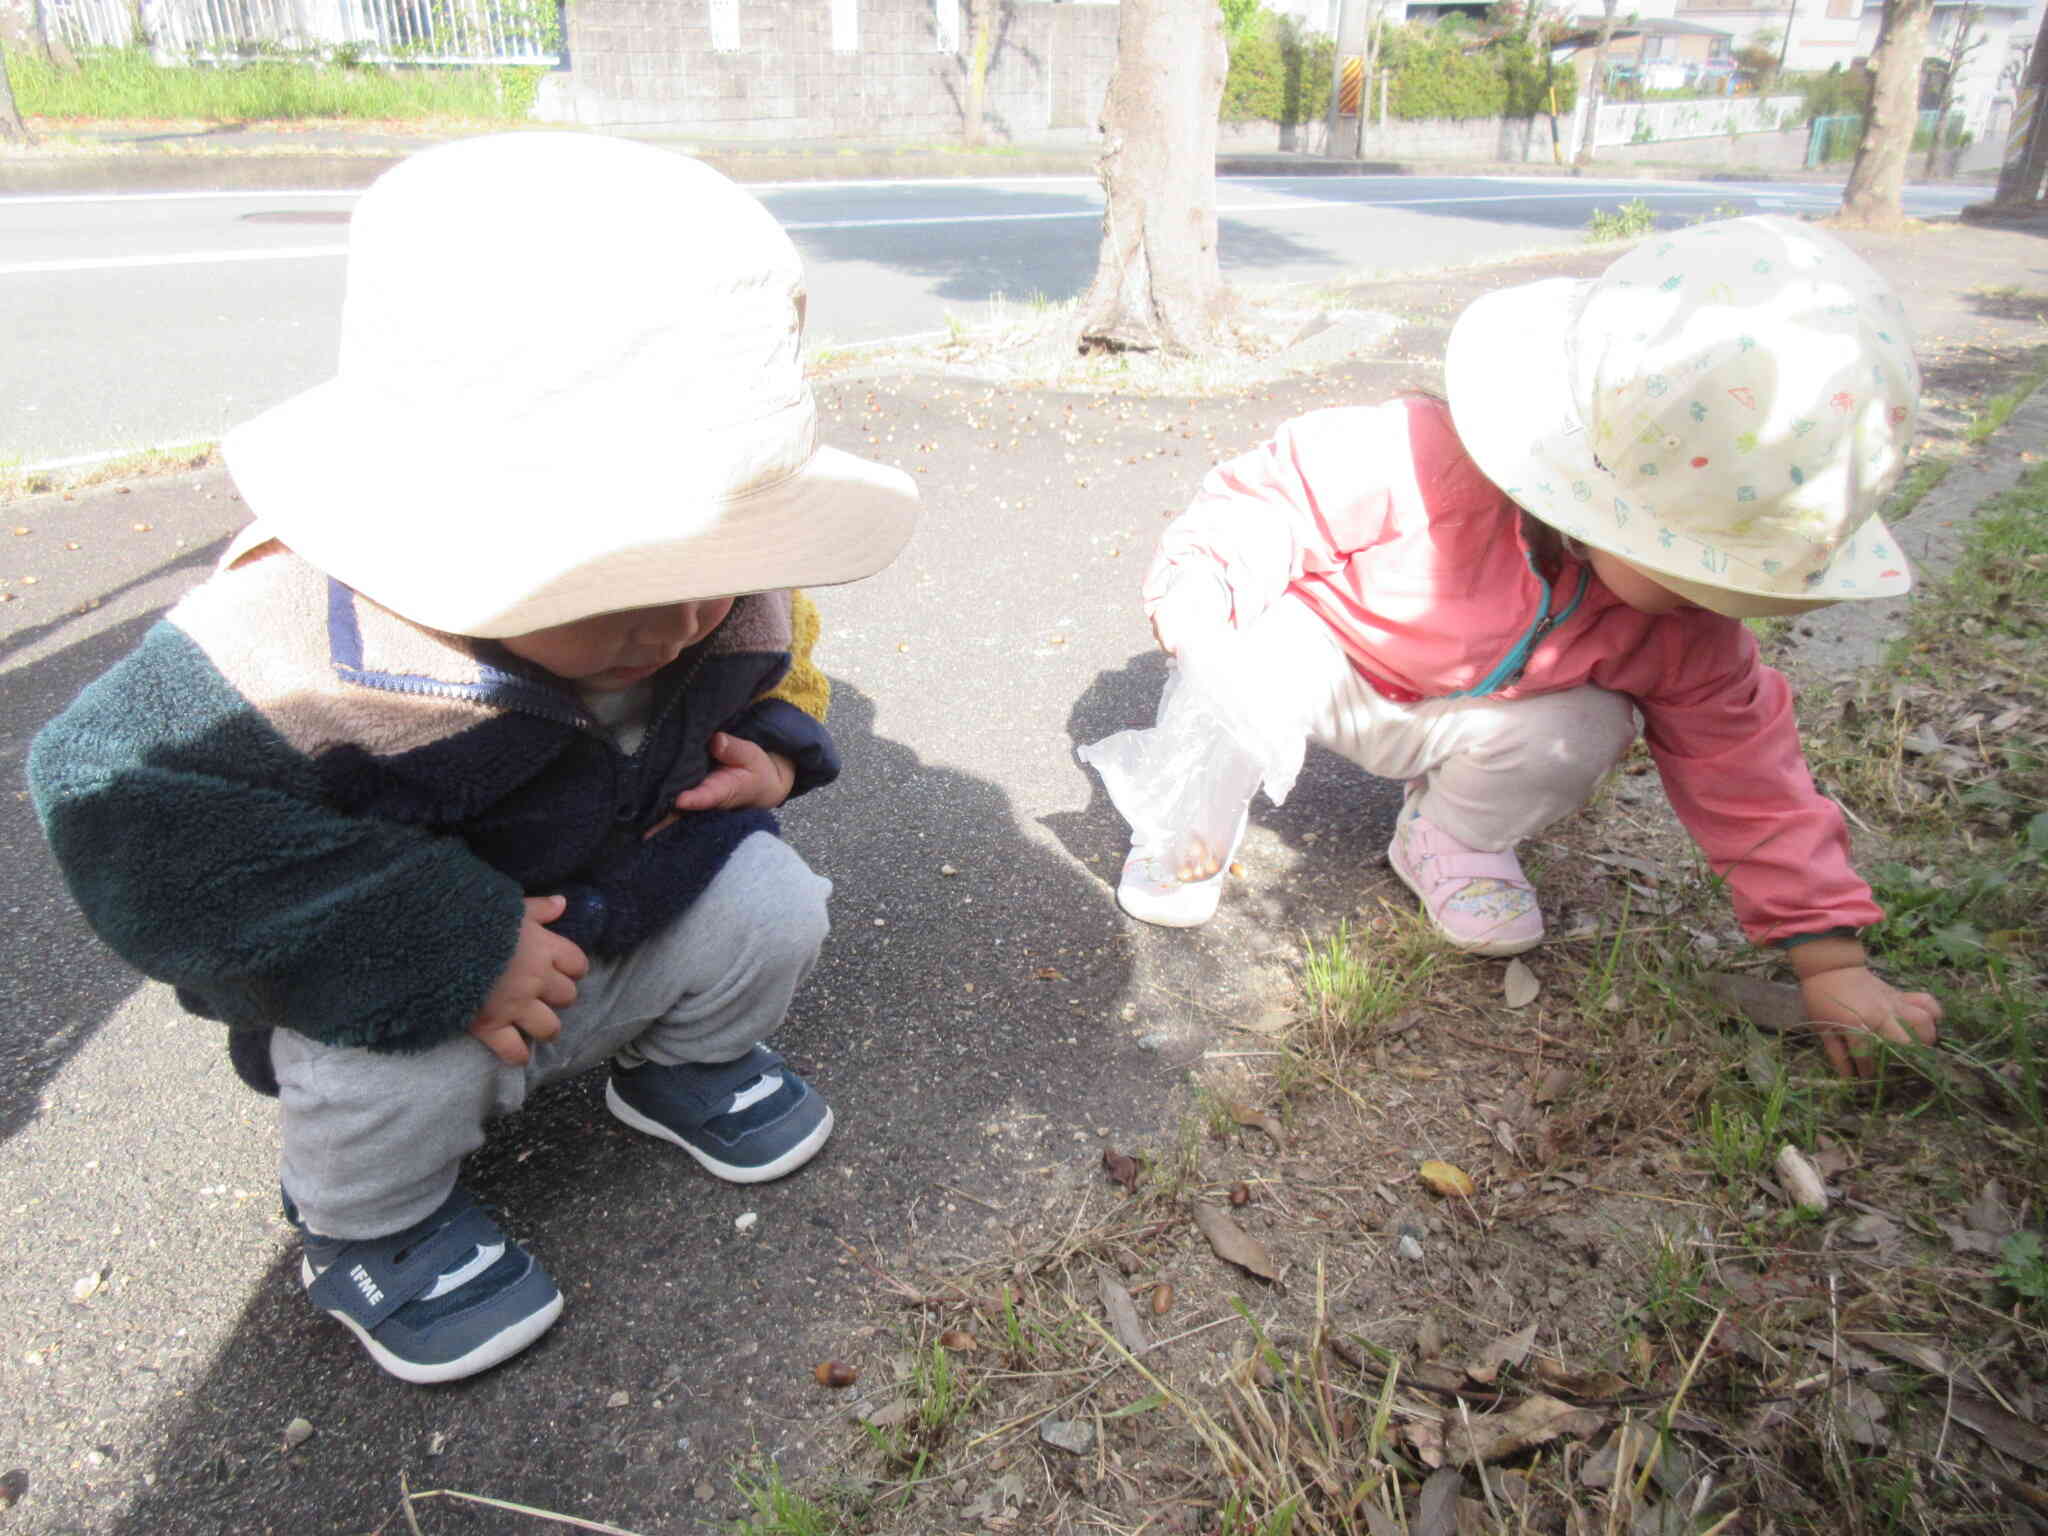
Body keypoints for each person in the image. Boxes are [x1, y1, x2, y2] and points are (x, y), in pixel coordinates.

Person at [27, 133, 920, 1384]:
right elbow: (115, 797)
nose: (679, 622)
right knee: (381, 1088)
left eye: (715, 571)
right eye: (621, 584)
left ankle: (679, 1065)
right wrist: (450, 941)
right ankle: (369, 1229)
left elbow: (786, 664)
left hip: (636, 894)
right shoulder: (287, 647)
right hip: (414, 980)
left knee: (773, 902)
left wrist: (773, 753)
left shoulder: (731, 599)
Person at [1101, 215, 1941, 1080]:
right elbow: (1275, 503)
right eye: (1714, 568)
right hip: (1328, 657)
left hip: (1477, 718)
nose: (1723, 602)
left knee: (1586, 726)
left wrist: (1830, 961)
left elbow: (1748, 774)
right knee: (1242, 654)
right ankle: (1188, 820)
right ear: (1601, 488)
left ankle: (1452, 836)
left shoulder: (1686, 630)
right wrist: (1204, 591)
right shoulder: (1420, 458)